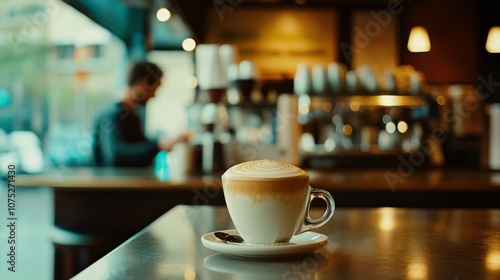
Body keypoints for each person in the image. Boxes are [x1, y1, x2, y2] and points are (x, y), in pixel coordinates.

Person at [93, 60, 190, 167]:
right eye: (154, 90)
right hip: (110, 182)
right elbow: (116, 155)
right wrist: (159, 146)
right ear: (141, 85)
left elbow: (140, 145)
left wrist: (162, 143)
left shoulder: (132, 113)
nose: (154, 96)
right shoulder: (112, 114)